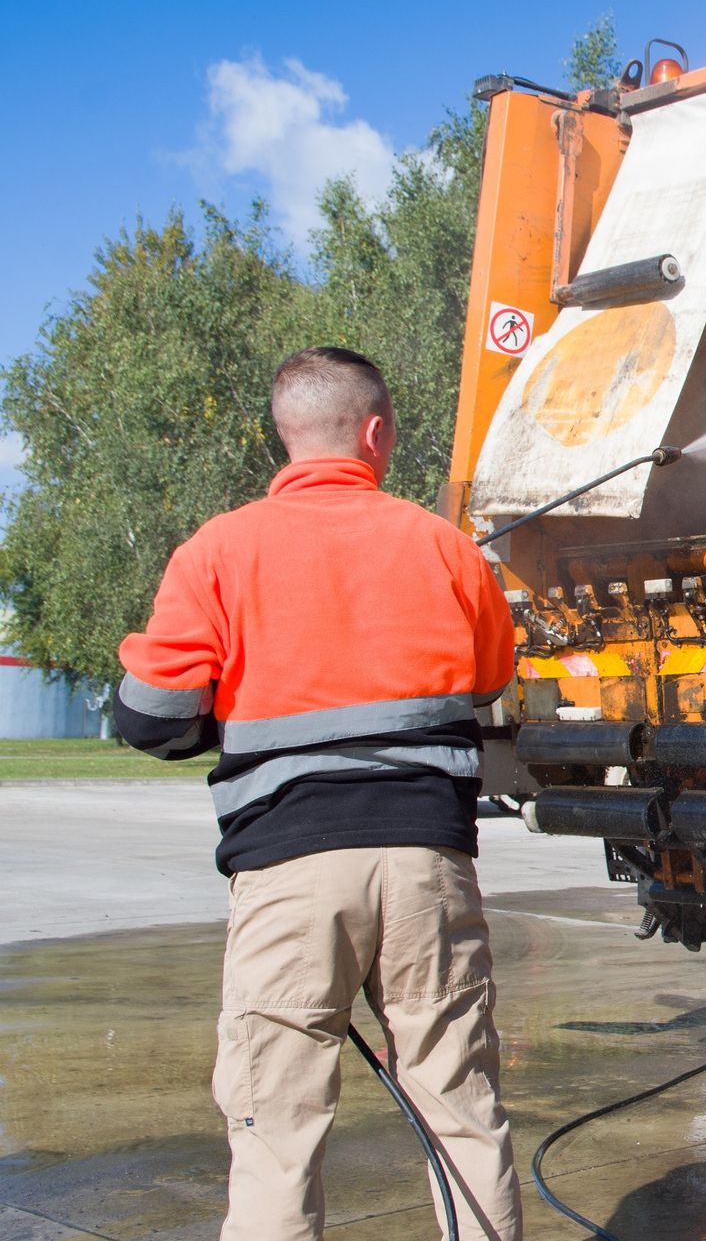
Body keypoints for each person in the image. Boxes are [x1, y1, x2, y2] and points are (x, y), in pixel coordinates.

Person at [114, 346, 522, 1240]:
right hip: (427, 863)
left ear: (286, 433)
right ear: (374, 434)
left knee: (276, 1134)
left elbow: (150, 715)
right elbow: (491, 678)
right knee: (460, 1107)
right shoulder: (443, 546)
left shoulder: (218, 551)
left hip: (289, 871)